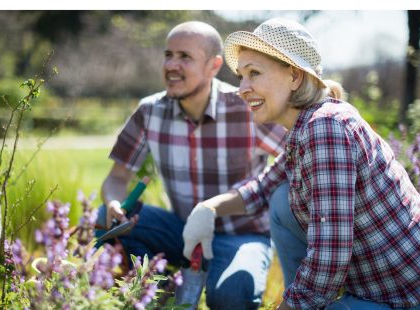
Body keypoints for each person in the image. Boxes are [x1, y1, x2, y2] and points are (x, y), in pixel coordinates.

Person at [182, 18, 420, 310]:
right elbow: (261, 189)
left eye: (254, 73)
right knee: (281, 200)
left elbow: (330, 255)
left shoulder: (326, 128)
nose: (242, 89)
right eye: (241, 76)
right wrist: (208, 209)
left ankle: (306, 300)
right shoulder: (306, 128)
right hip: (376, 287)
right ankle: (304, 298)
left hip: (417, 298)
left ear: (295, 77)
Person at [97, 21, 288, 309]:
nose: (172, 65)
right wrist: (114, 203)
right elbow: (117, 178)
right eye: (168, 55)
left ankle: (205, 284)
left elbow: (299, 156)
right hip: (182, 230)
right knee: (103, 217)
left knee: (229, 297)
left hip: (241, 234)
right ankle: (160, 296)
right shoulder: (149, 111)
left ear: (214, 66)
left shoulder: (247, 108)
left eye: (185, 57)